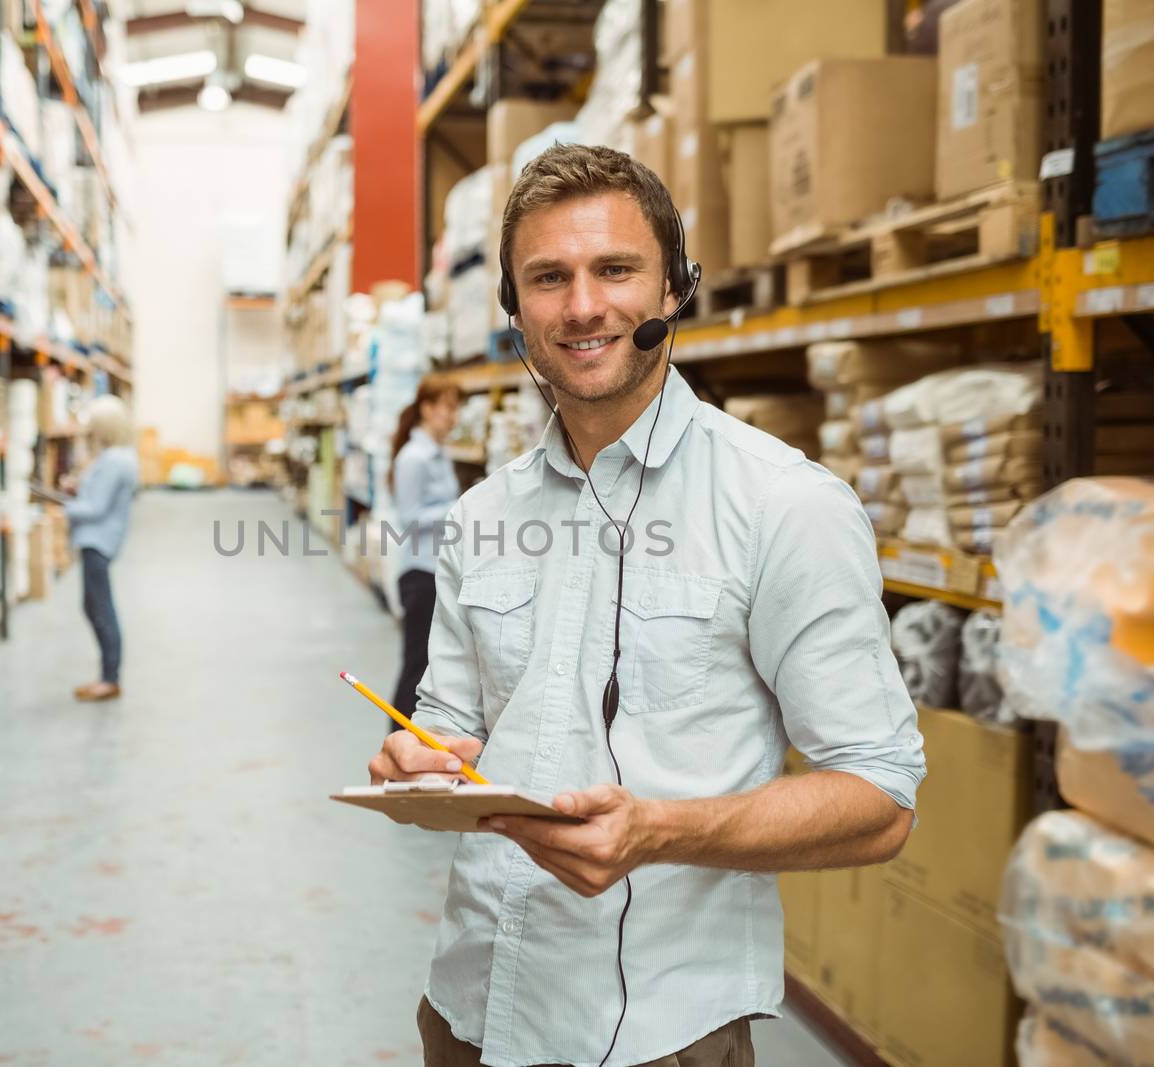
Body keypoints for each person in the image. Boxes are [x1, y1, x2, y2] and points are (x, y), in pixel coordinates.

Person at [367, 144, 925, 1067]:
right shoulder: (481, 515)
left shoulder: (784, 505)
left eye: (615, 269)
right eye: (548, 278)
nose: (582, 306)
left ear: (674, 290)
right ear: (514, 312)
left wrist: (664, 830)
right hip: (471, 1007)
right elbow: (450, 718)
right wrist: (421, 755)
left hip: (658, 1034)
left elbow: (880, 796)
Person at [388, 375, 463, 731]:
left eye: (456, 408)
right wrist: (458, 507)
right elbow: (409, 518)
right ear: (427, 409)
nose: (454, 417)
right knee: (416, 665)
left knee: (430, 665)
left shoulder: (437, 452)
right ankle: (398, 739)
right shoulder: (413, 458)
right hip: (420, 575)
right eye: (448, 408)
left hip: (437, 570)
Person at [63, 394, 139, 703]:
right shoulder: (115, 457)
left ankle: (110, 679)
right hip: (97, 540)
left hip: (98, 541)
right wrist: (77, 489)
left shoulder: (116, 460)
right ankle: (107, 676)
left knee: (101, 609)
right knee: (92, 606)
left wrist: (62, 507)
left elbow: (95, 508)